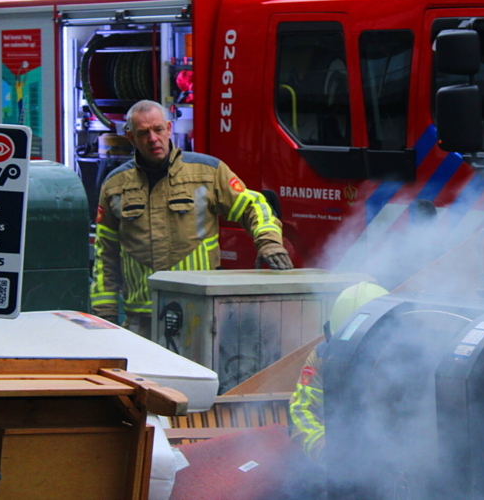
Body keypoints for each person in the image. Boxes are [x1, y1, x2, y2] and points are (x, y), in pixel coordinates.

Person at [91, 100, 293, 338]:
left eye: (158, 129)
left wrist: (269, 242)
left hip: (198, 314)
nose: (153, 138)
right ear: (131, 138)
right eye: (143, 133)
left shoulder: (207, 172)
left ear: (169, 128)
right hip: (143, 321)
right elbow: (106, 255)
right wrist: (105, 316)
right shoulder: (115, 185)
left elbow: (253, 205)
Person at [288, 281, 390, 463]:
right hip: (341, 452)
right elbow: (302, 409)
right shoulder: (322, 356)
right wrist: (324, 449)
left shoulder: (408, 358)